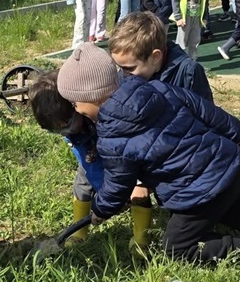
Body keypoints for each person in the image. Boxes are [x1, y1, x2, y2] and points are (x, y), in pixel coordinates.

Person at [55, 43, 240, 268]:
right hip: (229, 166)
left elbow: (117, 184)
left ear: (92, 96)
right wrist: (238, 134)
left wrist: (100, 210)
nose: (77, 110)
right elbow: (207, 111)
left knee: (175, 249)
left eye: (76, 103)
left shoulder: (112, 137)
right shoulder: (156, 88)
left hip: (199, 193)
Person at [28, 72, 154, 255]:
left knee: (136, 191)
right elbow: (90, 167)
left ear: (76, 106)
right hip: (91, 155)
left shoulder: (102, 118)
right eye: (56, 131)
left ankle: (141, 239)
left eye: (66, 125)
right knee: (82, 185)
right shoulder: (73, 130)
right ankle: (79, 232)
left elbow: (129, 156)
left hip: (124, 158)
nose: (64, 132)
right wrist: (105, 197)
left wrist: (127, 189)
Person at [109, 11, 214, 102]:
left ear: (155, 57)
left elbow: (206, 113)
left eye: (130, 68)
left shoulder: (189, 73)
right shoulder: (128, 72)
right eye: (119, 67)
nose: (124, 74)